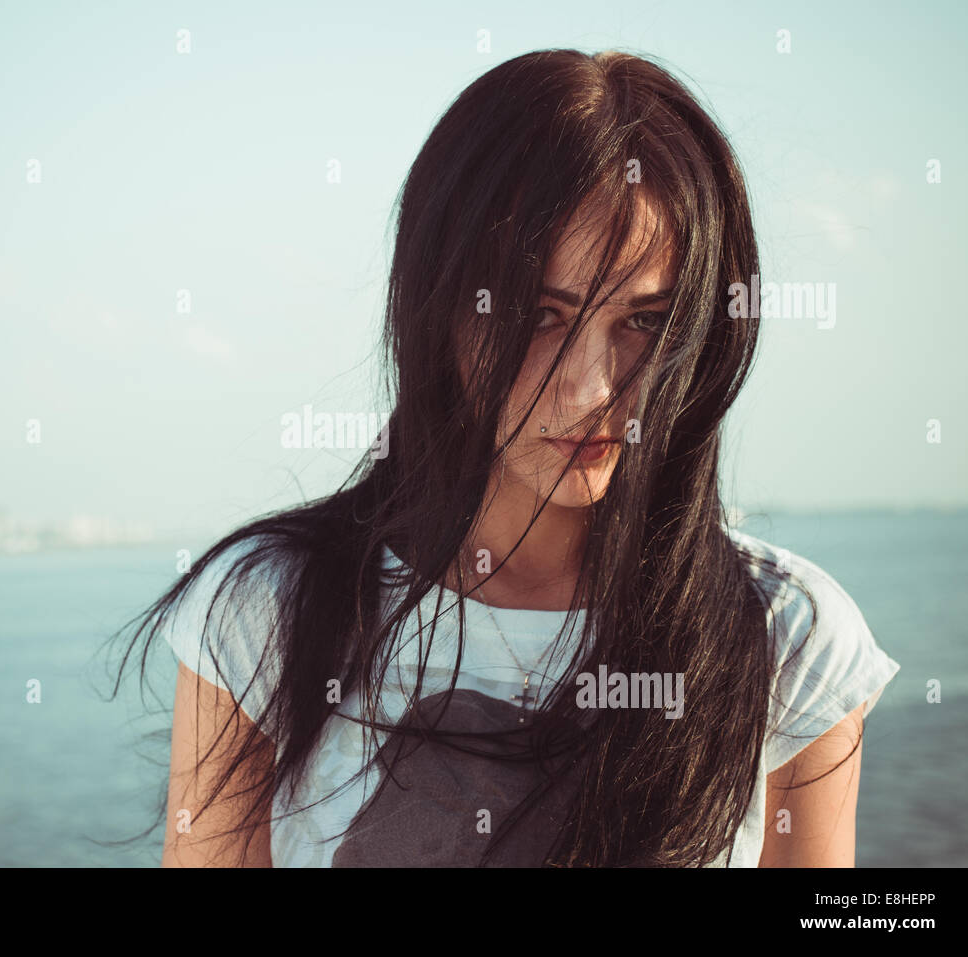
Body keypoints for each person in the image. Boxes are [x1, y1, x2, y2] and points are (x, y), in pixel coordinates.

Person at [110, 48, 900, 867]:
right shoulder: (267, 612)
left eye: (645, 321)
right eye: (537, 315)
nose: (591, 389)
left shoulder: (788, 642)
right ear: (439, 313)